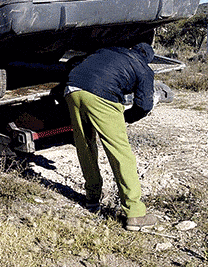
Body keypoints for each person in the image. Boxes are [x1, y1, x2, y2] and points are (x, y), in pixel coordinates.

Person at [63, 42, 157, 231]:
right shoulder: (144, 69)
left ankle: (92, 198)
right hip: (101, 94)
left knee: (86, 146)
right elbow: (144, 106)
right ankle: (135, 213)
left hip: (72, 88)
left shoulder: (109, 50)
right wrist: (126, 118)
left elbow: (76, 62)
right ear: (147, 59)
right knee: (120, 152)